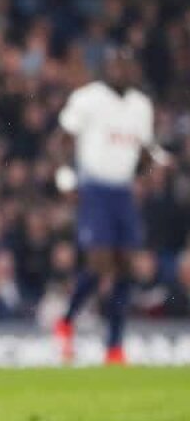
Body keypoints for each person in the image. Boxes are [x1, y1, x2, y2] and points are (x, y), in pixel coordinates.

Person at [54, 47, 169, 364]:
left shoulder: (140, 106)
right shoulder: (88, 98)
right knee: (100, 261)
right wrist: (66, 176)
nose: (120, 70)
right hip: (94, 186)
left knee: (127, 266)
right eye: (115, 64)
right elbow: (64, 138)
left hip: (122, 191)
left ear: (134, 70)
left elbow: (144, 152)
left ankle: (114, 346)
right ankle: (66, 321)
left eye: (126, 65)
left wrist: (154, 167)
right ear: (105, 68)